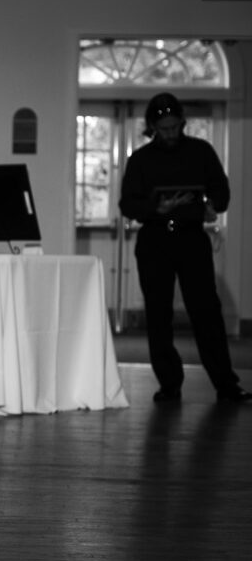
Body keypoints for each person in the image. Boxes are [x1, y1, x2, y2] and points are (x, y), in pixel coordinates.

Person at [119, 93, 251, 404]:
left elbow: (221, 190)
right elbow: (127, 204)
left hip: (192, 238)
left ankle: (225, 385)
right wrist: (156, 208)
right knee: (158, 313)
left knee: (206, 311)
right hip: (154, 239)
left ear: (183, 123)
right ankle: (169, 384)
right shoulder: (140, 160)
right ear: (152, 126)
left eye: (175, 127)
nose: (170, 134)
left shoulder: (201, 152)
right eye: (163, 129)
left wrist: (212, 205)